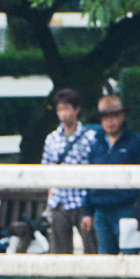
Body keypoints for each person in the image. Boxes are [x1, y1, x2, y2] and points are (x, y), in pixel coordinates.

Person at [81, 94, 140, 255]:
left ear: (123, 116)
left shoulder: (137, 143)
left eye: (114, 116)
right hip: (101, 211)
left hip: (128, 209)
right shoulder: (95, 144)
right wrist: (88, 212)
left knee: (130, 259)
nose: (109, 121)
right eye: (105, 117)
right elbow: (89, 179)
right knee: (105, 261)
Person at [40, 88, 99, 254]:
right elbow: (46, 167)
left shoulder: (89, 137)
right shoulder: (51, 139)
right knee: (59, 251)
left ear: (76, 110)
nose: (63, 114)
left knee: (91, 248)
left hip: (83, 199)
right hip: (59, 200)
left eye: (67, 108)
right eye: (60, 109)